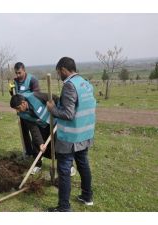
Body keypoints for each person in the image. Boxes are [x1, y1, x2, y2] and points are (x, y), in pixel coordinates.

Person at [46, 57, 96, 212]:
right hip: (85, 133)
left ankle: (64, 208)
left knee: (65, 170)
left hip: (70, 137)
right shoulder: (85, 83)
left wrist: (52, 109)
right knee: (83, 164)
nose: (59, 76)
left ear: (63, 70)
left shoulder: (69, 86)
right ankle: (87, 197)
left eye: (58, 72)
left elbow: (68, 114)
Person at [10, 92, 58, 174]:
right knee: (36, 143)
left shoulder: (36, 96)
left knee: (62, 143)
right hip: (42, 125)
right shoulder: (23, 114)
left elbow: (54, 98)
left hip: (56, 121)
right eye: (16, 109)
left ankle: (69, 165)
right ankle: (37, 165)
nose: (17, 110)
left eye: (18, 108)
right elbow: (33, 128)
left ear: (24, 103)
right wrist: (40, 143)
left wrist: (61, 109)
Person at [9, 62, 40, 158]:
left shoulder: (32, 80)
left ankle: (37, 154)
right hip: (21, 112)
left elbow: (37, 96)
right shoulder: (15, 82)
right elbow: (14, 97)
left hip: (31, 112)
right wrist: (11, 90)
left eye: (19, 73)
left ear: (24, 70)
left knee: (34, 133)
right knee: (24, 133)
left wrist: (24, 101)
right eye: (16, 73)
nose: (18, 75)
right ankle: (28, 152)